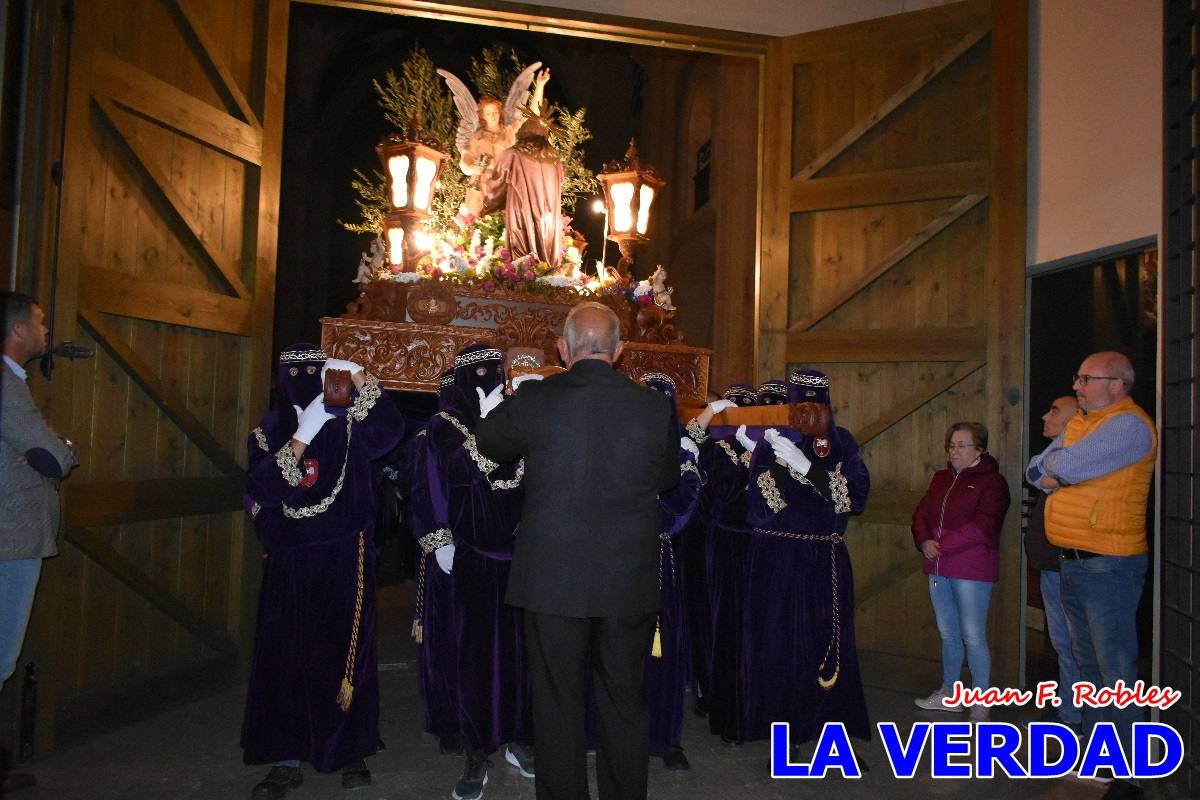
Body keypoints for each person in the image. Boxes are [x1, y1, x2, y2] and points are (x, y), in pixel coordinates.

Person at [475, 301, 679, 800]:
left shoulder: (539, 398)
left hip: (552, 577)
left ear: (563, 350)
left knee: (557, 702)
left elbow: (488, 442)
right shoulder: (653, 406)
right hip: (626, 576)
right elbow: (668, 478)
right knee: (624, 701)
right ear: (619, 350)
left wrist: (516, 393)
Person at [241, 345, 403, 799]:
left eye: (319, 369)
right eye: (299, 371)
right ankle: (284, 756)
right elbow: (259, 489)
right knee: (286, 654)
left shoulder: (350, 422)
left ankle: (350, 747)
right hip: (291, 556)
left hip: (343, 552)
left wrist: (364, 378)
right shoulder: (269, 430)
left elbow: (390, 433)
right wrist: (303, 434)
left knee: (345, 650)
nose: (309, 377)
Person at [1026, 352, 1155, 800]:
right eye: (1077, 377)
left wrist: (1058, 469)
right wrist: (1056, 468)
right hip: (1074, 560)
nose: (1077, 385)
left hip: (1109, 564)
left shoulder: (1128, 425)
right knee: (1086, 666)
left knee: (1114, 666)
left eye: (1087, 378)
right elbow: (1034, 469)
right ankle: (1100, 758)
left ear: (1117, 384)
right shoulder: (1081, 423)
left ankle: (1129, 769)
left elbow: (1063, 467)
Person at [736, 368, 871, 745]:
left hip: (822, 559)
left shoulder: (841, 443)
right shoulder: (772, 441)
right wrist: (768, 461)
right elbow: (761, 509)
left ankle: (830, 733)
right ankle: (785, 735)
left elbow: (855, 498)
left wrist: (808, 469)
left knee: (827, 642)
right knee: (779, 643)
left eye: (816, 398)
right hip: (778, 558)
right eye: (802, 399)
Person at [421, 343, 532, 800]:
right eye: (480, 373)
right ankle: (475, 748)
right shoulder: (444, 426)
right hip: (476, 558)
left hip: (524, 556)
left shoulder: (517, 417)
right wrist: (488, 426)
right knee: (476, 659)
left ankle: (519, 736)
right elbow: (457, 470)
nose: (489, 380)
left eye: (495, 372)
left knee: (523, 654)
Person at [0, 291, 77, 794]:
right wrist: (61, 446)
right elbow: (52, 456)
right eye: (41, 322)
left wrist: (47, 448)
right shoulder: (6, 385)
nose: (46, 332)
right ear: (18, 330)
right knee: (1, 653)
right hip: (10, 533)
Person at [912, 421, 1010, 721]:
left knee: (973, 634)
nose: (954, 451)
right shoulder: (940, 478)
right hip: (939, 568)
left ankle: (981, 698)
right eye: (951, 446)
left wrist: (941, 543)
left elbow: (984, 526)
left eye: (962, 446)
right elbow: (921, 514)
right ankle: (950, 693)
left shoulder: (992, 482)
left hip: (971, 569)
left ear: (979, 449)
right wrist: (924, 540)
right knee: (947, 633)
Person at [639, 372, 702, 771]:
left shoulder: (681, 455)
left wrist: (687, 462)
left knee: (662, 654)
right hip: (617, 561)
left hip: (658, 562)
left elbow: (675, 515)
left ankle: (664, 737)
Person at [1024, 395, 1082, 730]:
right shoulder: (1057, 450)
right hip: (1052, 564)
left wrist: (1044, 474)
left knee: (1077, 643)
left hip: (1071, 563)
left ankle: (1081, 715)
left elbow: (1039, 472)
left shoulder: (1082, 453)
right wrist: (1042, 475)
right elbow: (1034, 470)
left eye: (1054, 410)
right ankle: (1069, 709)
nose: (1046, 414)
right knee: (1062, 641)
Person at [456, 69, 549, 218]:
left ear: (500, 113)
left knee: (506, 221)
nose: (492, 116)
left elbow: (532, 113)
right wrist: (472, 167)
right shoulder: (477, 137)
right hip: (481, 186)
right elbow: (465, 157)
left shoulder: (510, 130)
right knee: (481, 225)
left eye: (495, 112)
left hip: (506, 184)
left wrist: (539, 86)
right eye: (488, 113)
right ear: (482, 116)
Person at [481, 107, 564, 270]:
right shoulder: (556, 161)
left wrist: (486, 207)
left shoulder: (512, 154)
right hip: (549, 221)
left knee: (522, 265)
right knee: (545, 266)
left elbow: (495, 188)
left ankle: (522, 273)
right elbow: (560, 184)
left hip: (522, 214)